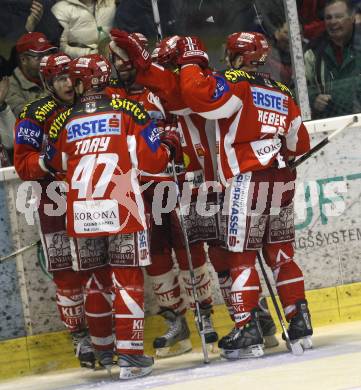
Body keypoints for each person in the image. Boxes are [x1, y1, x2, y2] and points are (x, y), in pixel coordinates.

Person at [173, 31, 314, 359]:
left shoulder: (235, 81)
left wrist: (191, 61)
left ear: (236, 56)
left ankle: (246, 325)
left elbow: (198, 96)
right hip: (281, 180)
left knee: (241, 255)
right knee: (281, 254)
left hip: (246, 180)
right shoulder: (281, 90)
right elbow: (299, 144)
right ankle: (300, 320)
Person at [44, 53, 181, 379]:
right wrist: (170, 145)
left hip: (81, 213)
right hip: (121, 208)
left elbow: (55, 163)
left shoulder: (65, 120)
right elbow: (152, 162)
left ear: (81, 83)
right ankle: (131, 357)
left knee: (95, 283)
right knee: (127, 281)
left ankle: (103, 350)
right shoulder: (129, 110)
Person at [107, 32, 219, 357]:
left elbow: (181, 102)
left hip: (178, 179)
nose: (122, 65)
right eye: (116, 59)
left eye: (127, 57)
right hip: (139, 187)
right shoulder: (113, 96)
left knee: (190, 250)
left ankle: (204, 316)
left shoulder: (162, 86)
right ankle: (177, 321)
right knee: (155, 257)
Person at [13, 52, 99, 368]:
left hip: (92, 199)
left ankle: (104, 332)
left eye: (70, 77)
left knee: (97, 268)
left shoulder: (91, 105)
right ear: (48, 83)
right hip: (54, 201)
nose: (66, 84)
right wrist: (47, 161)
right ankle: (80, 337)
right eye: (59, 79)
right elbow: (23, 164)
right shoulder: (34, 114)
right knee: (66, 274)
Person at [304, 0, 361, 118]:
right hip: (328, 126)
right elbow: (296, 89)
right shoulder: (313, 51)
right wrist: (313, 99)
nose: (333, 22)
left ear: (352, 18)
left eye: (339, 16)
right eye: (328, 18)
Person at [6, 32, 56, 117]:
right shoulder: (9, 87)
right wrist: (53, 91)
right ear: (23, 60)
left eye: (48, 54)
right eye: (39, 56)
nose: (46, 60)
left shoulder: (56, 76)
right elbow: (25, 116)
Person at [51, 0, 116, 58]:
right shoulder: (60, 9)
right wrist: (90, 54)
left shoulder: (111, 4)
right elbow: (60, 48)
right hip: (79, 64)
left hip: (112, 61)